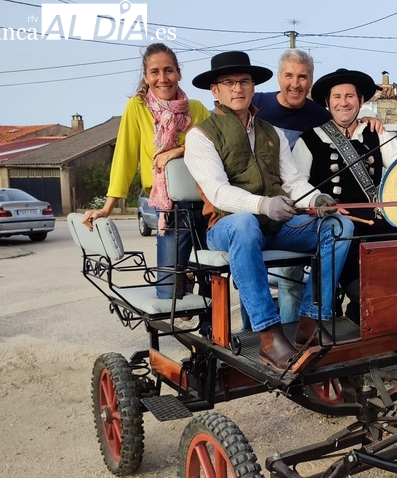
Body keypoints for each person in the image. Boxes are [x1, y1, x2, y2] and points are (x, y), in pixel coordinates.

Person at [183, 51, 353, 371]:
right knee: (245, 223)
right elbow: (217, 192)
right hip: (226, 228)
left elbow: (293, 182)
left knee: (339, 227)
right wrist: (263, 205)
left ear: (253, 87)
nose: (238, 88)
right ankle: (268, 336)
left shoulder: (272, 133)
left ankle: (310, 321)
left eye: (244, 81)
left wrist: (316, 199)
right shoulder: (200, 136)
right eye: (229, 82)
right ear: (215, 90)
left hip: (275, 228)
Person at [245, 49, 385, 328]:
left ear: (310, 81)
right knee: (287, 281)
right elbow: (293, 182)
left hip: (328, 208)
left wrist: (372, 117)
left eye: (302, 77)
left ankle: (351, 321)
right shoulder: (255, 104)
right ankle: (281, 334)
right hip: (278, 206)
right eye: (289, 75)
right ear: (279, 77)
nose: (295, 83)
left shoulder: (322, 114)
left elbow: (348, 116)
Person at [291, 68, 397, 322]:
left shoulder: (377, 133)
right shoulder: (308, 140)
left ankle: (387, 318)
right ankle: (369, 314)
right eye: (337, 97)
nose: (343, 102)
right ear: (328, 103)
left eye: (350, 96)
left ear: (361, 100)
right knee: (369, 292)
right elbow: (294, 185)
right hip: (338, 227)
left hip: (378, 223)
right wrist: (317, 205)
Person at [82, 43, 211, 300]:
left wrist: (177, 151)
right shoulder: (137, 107)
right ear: (146, 76)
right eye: (155, 72)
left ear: (179, 73)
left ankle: (206, 322)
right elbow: (125, 157)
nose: (163, 78)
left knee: (212, 282)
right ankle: (183, 279)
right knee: (167, 293)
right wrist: (107, 207)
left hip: (205, 204)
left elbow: (214, 147)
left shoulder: (196, 108)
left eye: (169, 70)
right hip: (169, 210)